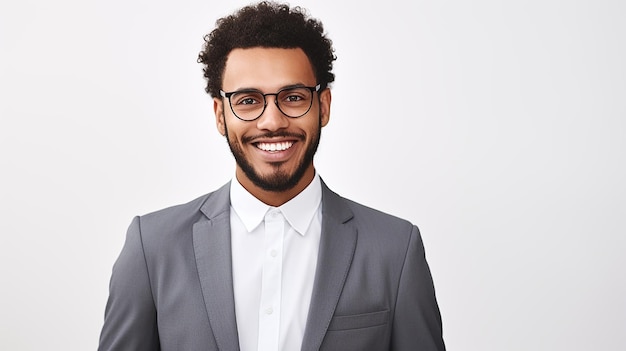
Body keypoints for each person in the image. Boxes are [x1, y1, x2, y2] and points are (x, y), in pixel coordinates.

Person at [98, 1, 445, 350]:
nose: (273, 121)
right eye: (248, 100)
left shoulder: (395, 250)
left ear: (323, 105)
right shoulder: (152, 247)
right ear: (220, 115)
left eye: (293, 97)